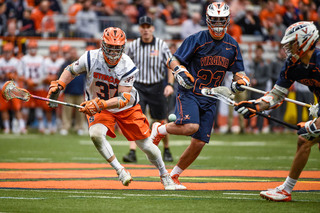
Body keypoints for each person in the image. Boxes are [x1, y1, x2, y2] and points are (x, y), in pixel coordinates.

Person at [46, 27, 183, 190]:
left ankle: (164, 175)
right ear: (103, 44)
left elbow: (123, 98)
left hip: (126, 107)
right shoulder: (90, 57)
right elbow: (71, 70)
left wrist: (101, 104)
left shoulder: (128, 65)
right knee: (95, 135)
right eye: (110, 47)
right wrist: (60, 84)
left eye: (117, 48)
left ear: (123, 47)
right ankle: (120, 170)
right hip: (99, 106)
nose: (113, 52)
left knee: (146, 146)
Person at [149, 2, 250, 189]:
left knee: (200, 142)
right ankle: (159, 129)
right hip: (191, 92)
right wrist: (180, 71)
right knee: (190, 126)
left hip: (211, 97)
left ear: (227, 20)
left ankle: (174, 175)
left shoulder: (232, 45)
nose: (218, 24)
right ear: (208, 19)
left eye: (222, 20)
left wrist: (242, 81)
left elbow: (238, 72)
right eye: (215, 19)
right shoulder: (197, 39)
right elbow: (173, 60)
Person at [235, 21, 319, 202]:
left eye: (292, 43)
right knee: (305, 140)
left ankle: (286, 190)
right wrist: (255, 106)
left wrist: (314, 124)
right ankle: (286, 190)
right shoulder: (292, 65)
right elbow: (276, 95)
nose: (287, 48)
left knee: (307, 137)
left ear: (304, 41)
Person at [122, 16, 175, 163]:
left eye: (148, 27)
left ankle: (167, 149)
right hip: (138, 86)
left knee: (161, 119)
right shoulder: (133, 46)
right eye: (143, 27)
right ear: (140, 29)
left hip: (157, 85)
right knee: (135, 118)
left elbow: (170, 65)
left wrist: (170, 85)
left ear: (153, 28)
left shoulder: (161, 45)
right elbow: (126, 66)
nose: (145, 30)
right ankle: (132, 151)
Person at [58, 45, 86, 136]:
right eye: (72, 52)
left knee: (80, 111)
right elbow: (60, 76)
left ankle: (79, 127)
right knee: (66, 111)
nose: (73, 54)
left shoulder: (81, 63)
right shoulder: (65, 63)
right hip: (69, 91)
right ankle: (65, 127)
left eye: (74, 52)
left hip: (80, 91)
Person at [0, 42, 26, 134]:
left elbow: (19, 76)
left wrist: (11, 76)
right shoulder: (1, 62)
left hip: (14, 88)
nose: (7, 53)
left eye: (9, 51)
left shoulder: (16, 62)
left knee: (17, 108)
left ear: (11, 52)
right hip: (2, 87)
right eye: (5, 51)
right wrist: (3, 76)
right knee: (3, 108)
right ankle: (7, 127)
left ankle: (22, 126)